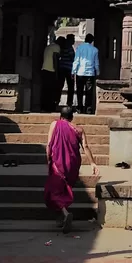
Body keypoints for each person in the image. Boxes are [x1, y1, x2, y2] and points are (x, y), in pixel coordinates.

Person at [44, 106, 99, 234]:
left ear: (60, 116)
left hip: (57, 163)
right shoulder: (79, 129)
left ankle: (64, 213)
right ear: (72, 117)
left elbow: (49, 144)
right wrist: (92, 163)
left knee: (53, 192)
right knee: (64, 189)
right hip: (73, 164)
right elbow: (85, 146)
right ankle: (60, 219)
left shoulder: (54, 124)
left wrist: (48, 160)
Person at [72, 34, 100, 115]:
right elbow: (96, 63)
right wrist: (97, 72)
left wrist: (73, 71)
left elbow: (76, 61)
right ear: (92, 41)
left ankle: (79, 108)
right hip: (90, 73)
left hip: (80, 72)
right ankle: (88, 109)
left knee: (79, 91)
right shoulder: (95, 50)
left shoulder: (79, 48)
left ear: (85, 39)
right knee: (89, 92)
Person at [40, 38, 62, 112]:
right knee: (51, 90)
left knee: (45, 89)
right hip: (51, 70)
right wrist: (56, 72)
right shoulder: (57, 47)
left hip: (44, 69)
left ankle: (43, 107)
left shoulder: (48, 46)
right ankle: (49, 107)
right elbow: (55, 58)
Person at [57, 33, 75, 108]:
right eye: (73, 39)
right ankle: (69, 102)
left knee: (60, 85)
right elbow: (73, 57)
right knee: (70, 86)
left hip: (61, 67)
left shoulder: (62, 46)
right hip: (68, 68)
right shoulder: (69, 47)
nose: (74, 41)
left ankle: (57, 100)